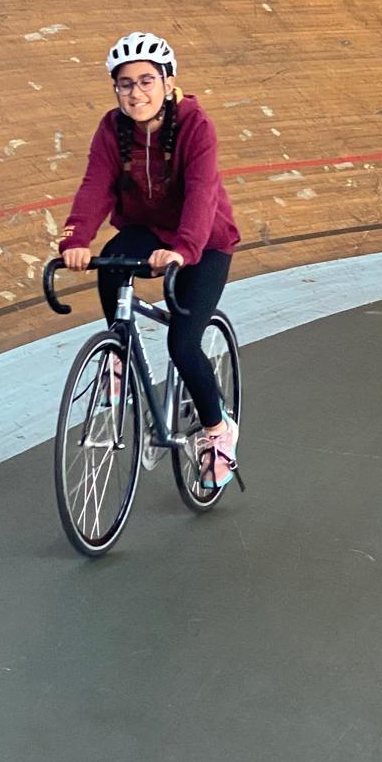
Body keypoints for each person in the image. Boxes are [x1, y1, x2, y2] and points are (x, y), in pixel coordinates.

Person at [59, 31, 241, 489]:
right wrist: (75, 238)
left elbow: (201, 194)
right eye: (125, 84)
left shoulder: (195, 125)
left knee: (183, 344)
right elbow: (95, 185)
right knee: (111, 260)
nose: (136, 93)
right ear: (115, 88)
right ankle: (119, 355)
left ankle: (218, 429)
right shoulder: (112, 128)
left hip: (205, 241)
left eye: (146, 81)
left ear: (167, 82)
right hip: (150, 232)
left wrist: (183, 250)